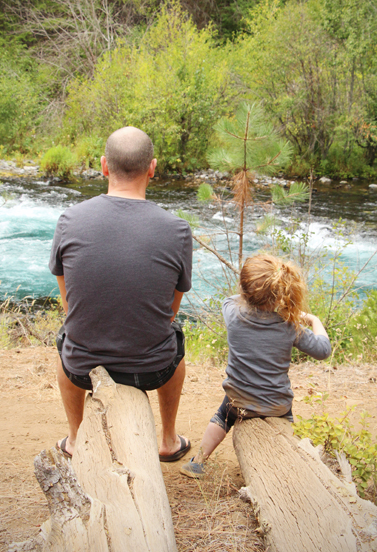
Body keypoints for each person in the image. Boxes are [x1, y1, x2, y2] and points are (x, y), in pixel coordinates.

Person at [49, 126, 193, 462]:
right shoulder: (177, 230)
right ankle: (169, 440)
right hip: (152, 369)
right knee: (177, 340)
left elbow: (69, 303)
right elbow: (170, 311)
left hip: (82, 368)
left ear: (103, 166)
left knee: (65, 336)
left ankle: (74, 439)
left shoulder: (69, 220)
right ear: (152, 168)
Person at [180, 253, 331, 478]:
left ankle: (199, 461)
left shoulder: (232, 312)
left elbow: (233, 299)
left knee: (221, 415)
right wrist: (313, 320)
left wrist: (250, 291)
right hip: (277, 405)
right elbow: (323, 350)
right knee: (288, 419)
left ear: (244, 290)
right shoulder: (290, 326)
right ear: (280, 291)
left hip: (237, 400)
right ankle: (288, 462)